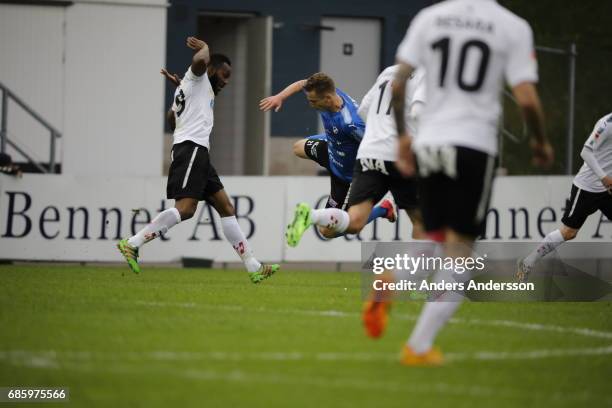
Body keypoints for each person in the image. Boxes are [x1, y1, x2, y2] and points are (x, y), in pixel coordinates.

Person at [392, 0, 553, 365]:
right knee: (461, 247)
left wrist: (403, 137)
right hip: (473, 143)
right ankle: (418, 345)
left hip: (430, 142)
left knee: (437, 235)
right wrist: (540, 141)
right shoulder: (511, 24)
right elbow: (526, 98)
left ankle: (395, 276)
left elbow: (398, 83)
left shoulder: (429, 17)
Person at [117, 37, 279, 283]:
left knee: (226, 207)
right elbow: (201, 60)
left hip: (197, 151)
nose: (226, 81)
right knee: (186, 209)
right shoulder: (198, 76)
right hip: (191, 149)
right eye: (224, 74)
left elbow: (172, 120)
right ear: (211, 69)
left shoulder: (192, 86)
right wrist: (205, 48)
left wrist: (183, 91)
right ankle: (133, 243)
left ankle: (253, 266)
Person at [260, 73, 395, 242]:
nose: (311, 104)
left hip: (346, 177)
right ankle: (335, 142)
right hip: (331, 152)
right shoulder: (328, 91)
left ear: (328, 98)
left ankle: (384, 208)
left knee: (327, 232)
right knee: (298, 148)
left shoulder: (352, 123)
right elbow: (302, 82)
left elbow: (373, 146)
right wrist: (280, 97)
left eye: (314, 101)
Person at [518, 113, 612, 281]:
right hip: (587, 187)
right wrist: (603, 177)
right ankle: (528, 261)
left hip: (608, 190)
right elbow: (586, 152)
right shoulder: (607, 124)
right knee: (569, 232)